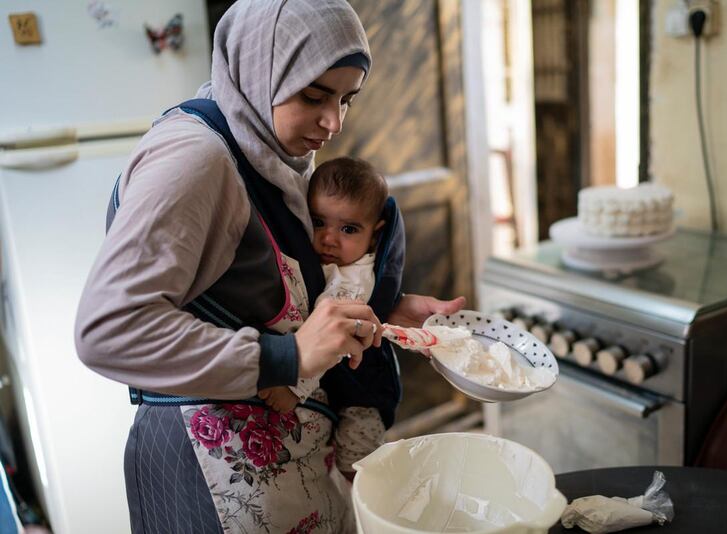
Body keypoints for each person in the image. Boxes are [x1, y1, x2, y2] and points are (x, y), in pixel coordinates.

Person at [73, 1, 464, 533]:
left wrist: (387, 307)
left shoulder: (262, 150)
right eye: (314, 95)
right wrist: (290, 355)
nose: (334, 123)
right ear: (261, 67)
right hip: (209, 478)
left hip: (276, 474)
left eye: (347, 99)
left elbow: (254, 292)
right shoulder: (195, 161)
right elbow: (109, 330)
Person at [261, 157, 392, 477]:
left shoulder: (354, 280)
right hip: (336, 382)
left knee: (358, 465)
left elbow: (332, 339)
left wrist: (294, 386)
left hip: (364, 392)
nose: (329, 238)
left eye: (348, 229)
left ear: (374, 235)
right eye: (319, 222)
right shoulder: (329, 259)